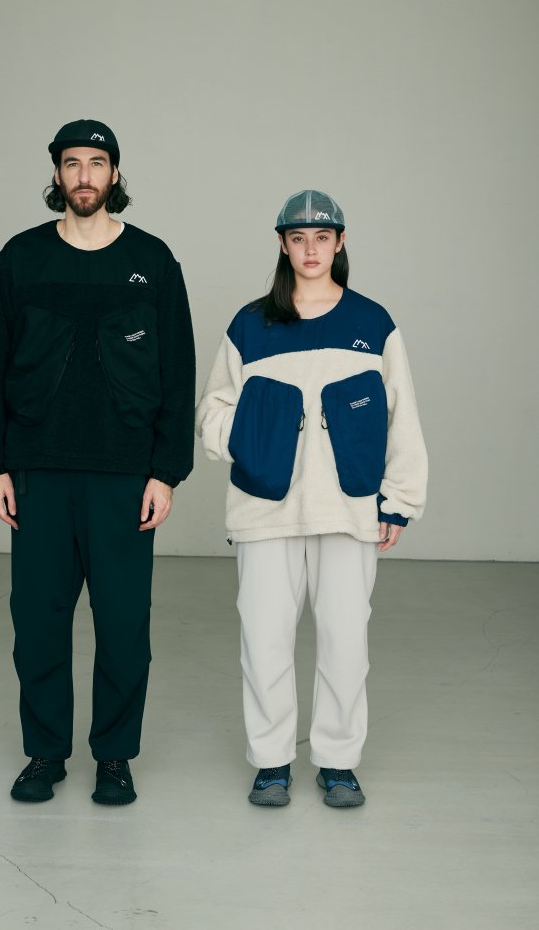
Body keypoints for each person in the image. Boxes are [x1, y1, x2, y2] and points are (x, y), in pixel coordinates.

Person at [0, 119, 195, 805]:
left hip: (125, 475)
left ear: (115, 174)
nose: (85, 176)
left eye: (97, 163)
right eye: (72, 163)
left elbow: (177, 371)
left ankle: (114, 757)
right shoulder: (21, 258)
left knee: (124, 625)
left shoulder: (153, 260)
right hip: (37, 471)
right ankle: (45, 754)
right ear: (57, 175)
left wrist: (166, 472)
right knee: (38, 622)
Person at [196, 189, 427, 808]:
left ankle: (337, 762)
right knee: (264, 639)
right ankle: (272, 762)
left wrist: (399, 500)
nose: (310, 250)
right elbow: (212, 410)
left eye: (322, 238)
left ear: (340, 242)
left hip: (348, 510)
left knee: (346, 642)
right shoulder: (251, 324)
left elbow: (402, 417)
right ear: (282, 245)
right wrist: (258, 433)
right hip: (264, 510)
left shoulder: (372, 323)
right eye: (298, 239)